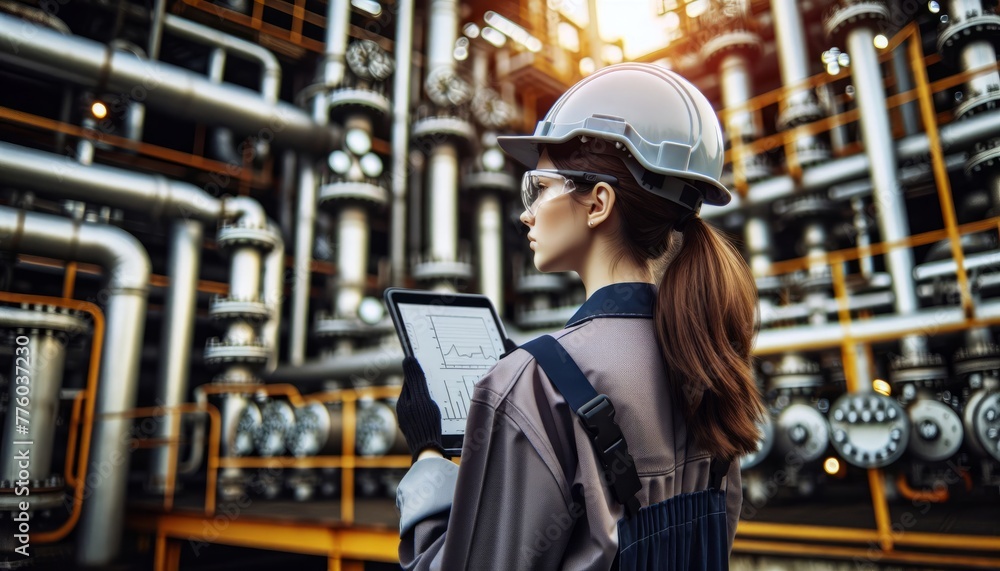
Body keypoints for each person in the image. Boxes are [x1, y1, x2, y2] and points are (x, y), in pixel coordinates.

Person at [393, 63, 765, 570]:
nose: (527, 212)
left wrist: (429, 460)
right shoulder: (707, 356)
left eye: (539, 188)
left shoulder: (533, 385)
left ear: (598, 203)